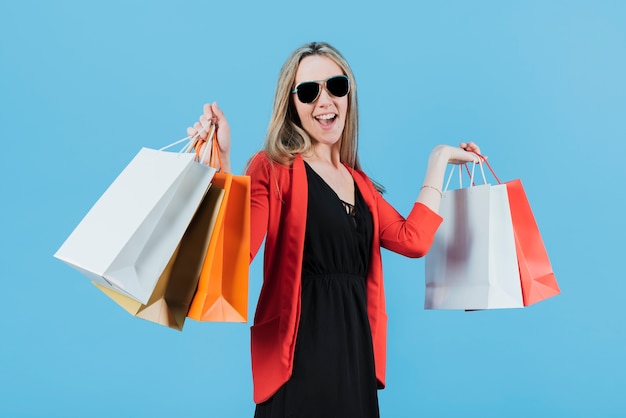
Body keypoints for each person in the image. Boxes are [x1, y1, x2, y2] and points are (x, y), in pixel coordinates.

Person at [187, 42, 481, 418]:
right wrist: (224, 163)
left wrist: (439, 160)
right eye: (309, 92)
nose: (324, 100)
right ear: (292, 105)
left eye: (335, 86)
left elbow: (414, 239)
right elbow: (235, 252)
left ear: (348, 94)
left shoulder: (362, 186)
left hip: (356, 360)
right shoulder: (272, 169)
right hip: (297, 362)